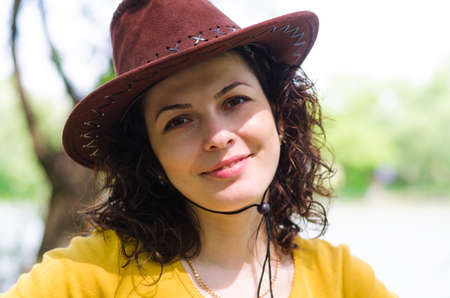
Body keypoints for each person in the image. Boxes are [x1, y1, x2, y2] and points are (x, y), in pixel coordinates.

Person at [2, 0, 397, 297]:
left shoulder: (342, 280)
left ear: (278, 114)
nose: (218, 135)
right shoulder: (87, 278)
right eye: (178, 121)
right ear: (149, 157)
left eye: (235, 101)